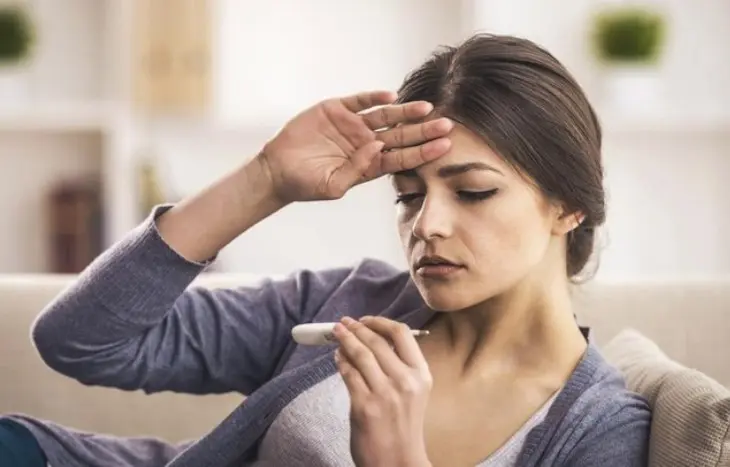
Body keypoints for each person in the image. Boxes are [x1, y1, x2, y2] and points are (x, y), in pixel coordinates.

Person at [0, 33, 651, 467]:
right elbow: (78, 339)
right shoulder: (348, 305)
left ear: (569, 206)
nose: (427, 225)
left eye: (474, 192)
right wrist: (264, 180)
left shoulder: (601, 428)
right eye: (408, 195)